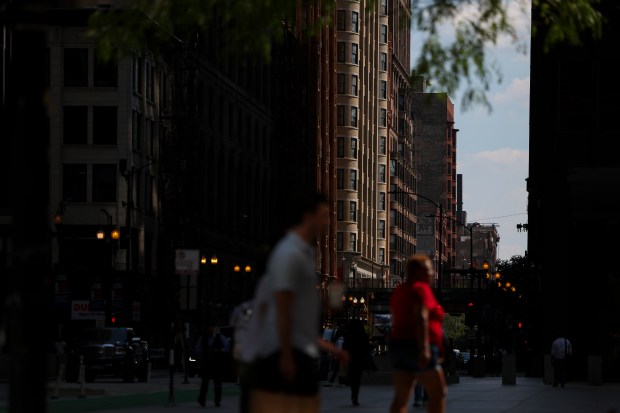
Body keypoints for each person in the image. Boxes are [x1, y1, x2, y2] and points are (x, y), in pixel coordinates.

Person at [250, 193, 349, 413]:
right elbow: (282, 309)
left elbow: (298, 320)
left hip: (296, 354)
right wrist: (286, 356)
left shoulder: (303, 254)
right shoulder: (289, 254)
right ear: (308, 216)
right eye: (324, 216)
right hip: (283, 356)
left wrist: (331, 348)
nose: (328, 222)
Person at [389, 254, 447, 413]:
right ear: (418, 272)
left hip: (399, 346)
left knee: (401, 397)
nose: (432, 273)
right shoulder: (421, 288)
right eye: (428, 270)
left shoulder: (399, 290)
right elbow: (421, 317)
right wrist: (425, 349)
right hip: (416, 346)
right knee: (438, 393)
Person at [197, 326, 229, 407]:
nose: (210, 329)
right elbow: (197, 348)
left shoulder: (220, 337)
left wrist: (219, 350)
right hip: (206, 363)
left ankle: (217, 400)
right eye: (209, 328)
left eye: (211, 328)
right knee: (205, 383)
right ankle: (202, 400)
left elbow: (226, 347)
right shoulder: (203, 338)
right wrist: (204, 351)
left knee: (217, 383)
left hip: (217, 363)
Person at [343, 320, 371, 406]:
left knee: (352, 377)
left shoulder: (349, 336)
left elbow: (345, 347)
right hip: (360, 360)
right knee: (357, 379)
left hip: (351, 359)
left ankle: (353, 394)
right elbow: (367, 348)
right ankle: (355, 396)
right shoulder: (363, 335)